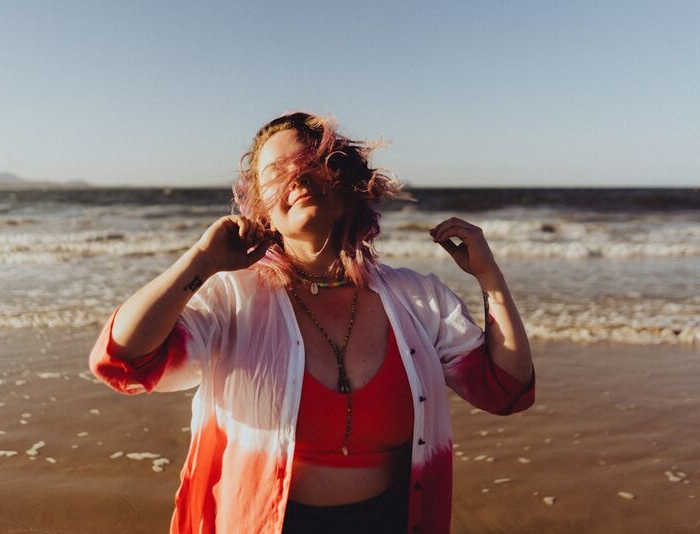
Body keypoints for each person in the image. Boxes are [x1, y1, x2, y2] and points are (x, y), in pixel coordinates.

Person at [88, 112, 535, 534]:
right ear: (261, 208)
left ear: (346, 181)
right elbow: (123, 361)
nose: (297, 178)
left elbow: (505, 390)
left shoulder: (420, 300)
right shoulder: (232, 299)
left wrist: (489, 276)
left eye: (310, 163)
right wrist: (200, 262)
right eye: (276, 174)